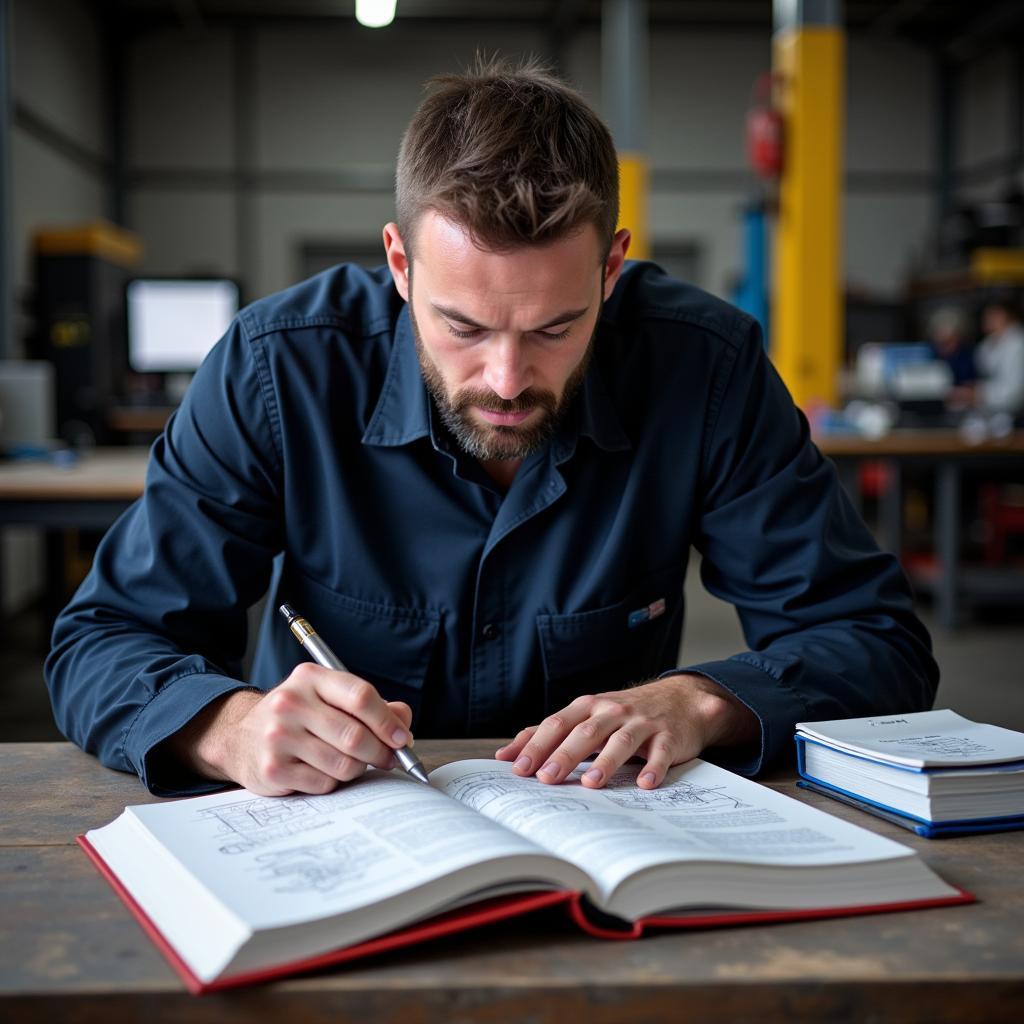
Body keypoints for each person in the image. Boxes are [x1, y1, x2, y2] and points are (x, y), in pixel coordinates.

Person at [46, 58, 938, 799]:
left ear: (612, 266)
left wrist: (701, 702)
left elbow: (875, 640)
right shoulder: (277, 368)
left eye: (556, 328)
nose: (507, 382)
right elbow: (104, 639)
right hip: (338, 839)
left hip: (605, 841)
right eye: (463, 327)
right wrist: (227, 727)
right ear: (400, 263)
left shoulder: (705, 368)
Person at [949, 299, 1024, 421]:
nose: (988, 320)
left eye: (993, 315)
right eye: (986, 315)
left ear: (1007, 316)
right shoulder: (986, 345)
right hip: (991, 410)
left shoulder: (1018, 342)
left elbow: (1015, 392)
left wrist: (977, 394)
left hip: (1015, 413)